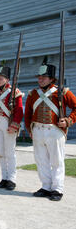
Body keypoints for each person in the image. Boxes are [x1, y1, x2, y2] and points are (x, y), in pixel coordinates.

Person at [24, 59, 76, 201]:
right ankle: (46, 186)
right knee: (41, 160)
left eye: (43, 77)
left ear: (51, 79)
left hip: (55, 131)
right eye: (39, 77)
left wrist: (68, 120)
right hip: (38, 131)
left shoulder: (62, 92)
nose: (40, 80)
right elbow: (27, 113)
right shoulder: (33, 93)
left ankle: (57, 189)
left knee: (57, 161)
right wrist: (29, 129)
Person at [0, 64, 24, 191]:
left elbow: (19, 111)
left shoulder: (14, 91)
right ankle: (4, 177)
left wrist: (15, 125)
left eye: (1, 77)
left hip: (8, 124)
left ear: (7, 79)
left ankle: (12, 179)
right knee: (0, 152)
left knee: (10, 152)